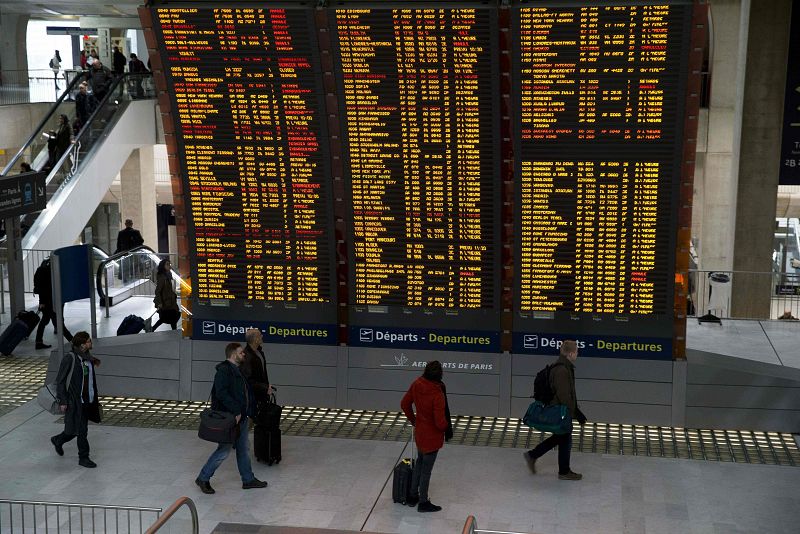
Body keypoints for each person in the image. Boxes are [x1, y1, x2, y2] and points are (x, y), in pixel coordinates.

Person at [195, 343, 267, 494]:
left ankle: (248, 479)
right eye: (241, 353)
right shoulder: (224, 371)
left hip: (241, 416)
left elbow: (244, 393)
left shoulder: (238, 370)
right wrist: (236, 411)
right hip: (231, 418)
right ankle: (203, 477)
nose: (244, 355)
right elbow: (221, 393)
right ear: (233, 355)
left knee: (243, 449)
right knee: (224, 450)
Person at [523, 340, 586, 481]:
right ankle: (560, 469)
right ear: (570, 353)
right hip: (561, 411)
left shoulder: (563, 366)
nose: (577, 354)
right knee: (563, 436)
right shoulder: (562, 370)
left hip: (561, 409)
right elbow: (564, 395)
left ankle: (536, 457)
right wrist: (574, 412)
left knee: (562, 437)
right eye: (576, 351)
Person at [400, 360, 449, 513]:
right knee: (426, 470)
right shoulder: (437, 394)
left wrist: (414, 420)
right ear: (439, 375)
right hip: (432, 437)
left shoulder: (417, 384)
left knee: (419, 464)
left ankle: (412, 496)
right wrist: (447, 426)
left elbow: (404, 404)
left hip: (420, 432)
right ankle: (423, 502)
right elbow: (440, 422)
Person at [50, 332, 101, 468]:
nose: (91, 343)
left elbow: (89, 381)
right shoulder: (70, 358)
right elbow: (60, 381)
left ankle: (58, 440)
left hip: (87, 400)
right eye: (89, 341)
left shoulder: (87, 358)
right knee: (81, 430)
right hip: (74, 401)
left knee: (72, 430)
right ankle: (83, 457)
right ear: (83, 344)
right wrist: (63, 401)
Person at [33, 257, 73, 350]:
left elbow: (39, 287)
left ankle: (38, 342)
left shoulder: (42, 270)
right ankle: (74, 342)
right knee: (58, 323)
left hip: (47, 301)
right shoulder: (46, 272)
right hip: (48, 302)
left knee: (45, 320)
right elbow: (43, 288)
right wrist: (42, 302)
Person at [241, 328, 272, 405]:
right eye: (260, 335)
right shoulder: (247, 356)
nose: (262, 336)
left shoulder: (260, 353)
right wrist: (264, 388)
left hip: (261, 395)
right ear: (255, 339)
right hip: (253, 398)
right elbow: (248, 380)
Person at [152, 259, 179, 330]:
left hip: (171, 300)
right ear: (163, 266)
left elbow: (171, 287)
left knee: (170, 317)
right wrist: (160, 302)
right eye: (167, 264)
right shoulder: (162, 277)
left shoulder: (169, 274)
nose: (169, 266)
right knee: (169, 317)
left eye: (169, 264)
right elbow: (158, 291)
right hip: (166, 302)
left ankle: (153, 329)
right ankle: (153, 328)